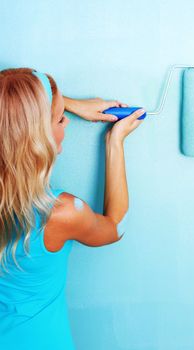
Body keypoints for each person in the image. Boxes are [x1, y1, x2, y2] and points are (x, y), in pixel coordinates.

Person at [0, 67, 145, 349]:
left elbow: (10, 101)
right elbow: (117, 225)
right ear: (37, 139)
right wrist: (115, 142)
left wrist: (73, 104)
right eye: (59, 118)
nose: (67, 121)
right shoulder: (58, 213)